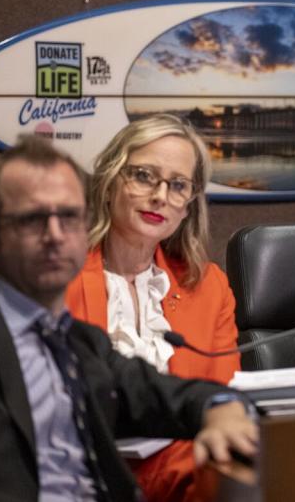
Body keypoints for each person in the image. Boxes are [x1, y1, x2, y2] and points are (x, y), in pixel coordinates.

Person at [0, 137, 257, 501]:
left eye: (68, 217)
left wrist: (221, 408)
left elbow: (171, 395)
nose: (54, 235)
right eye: (32, 219)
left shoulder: (80, 345)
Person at [64, 114, 239, 502]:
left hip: (186, 474)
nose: (161, 195)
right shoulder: (60, 278)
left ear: (189, 205)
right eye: (144, 176)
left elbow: (221, 396)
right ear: (110, 182)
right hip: (84, 471)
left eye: (178, 185)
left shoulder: (209, 288)